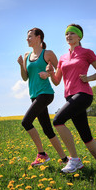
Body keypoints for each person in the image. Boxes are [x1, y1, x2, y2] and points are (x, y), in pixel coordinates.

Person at [46, 24, 96, 173]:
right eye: (66, 34)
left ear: (79, 36)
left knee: (58, 120)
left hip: (83, 94)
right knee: (85, 135)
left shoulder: (87, 52)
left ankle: (74, 160)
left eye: (72, 33)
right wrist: (50, 73)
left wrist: (89, 78)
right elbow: (57, 81)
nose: (68, 36)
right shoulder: (62, 58)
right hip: (69, 96)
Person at [17, 27, 69, 167]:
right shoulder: (27, 55)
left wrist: (49, 74)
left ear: (38, 37)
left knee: (26, 122)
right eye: (27, 37)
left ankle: (42, 154)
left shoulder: (48, 54)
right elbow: (24, 78)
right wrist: (21, 66)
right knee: (47, 129)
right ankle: (65, 159)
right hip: (34, 95)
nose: (27, 39)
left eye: (29, 36)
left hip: (46, 93)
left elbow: (60, 69)